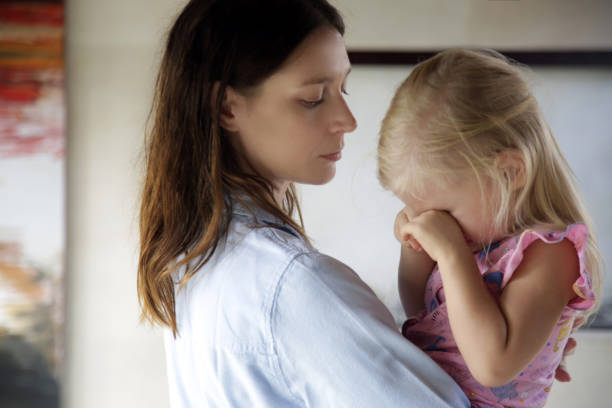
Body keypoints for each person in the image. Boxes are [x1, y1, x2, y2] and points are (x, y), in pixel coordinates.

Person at [137, 0, 470, 406]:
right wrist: (513, 376)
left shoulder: (193, 260)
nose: (347, 119)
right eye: (314, 97)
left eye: (343, 88)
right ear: (226, 107)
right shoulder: (293, 283)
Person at [377, 49, 603, 408]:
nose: (433, 221)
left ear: (510, 173)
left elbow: (493, 367)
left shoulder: (549, 252)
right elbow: (418, 307)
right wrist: (415, 247)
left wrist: (451, 256)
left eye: (441, 209)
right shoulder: (477, 238)